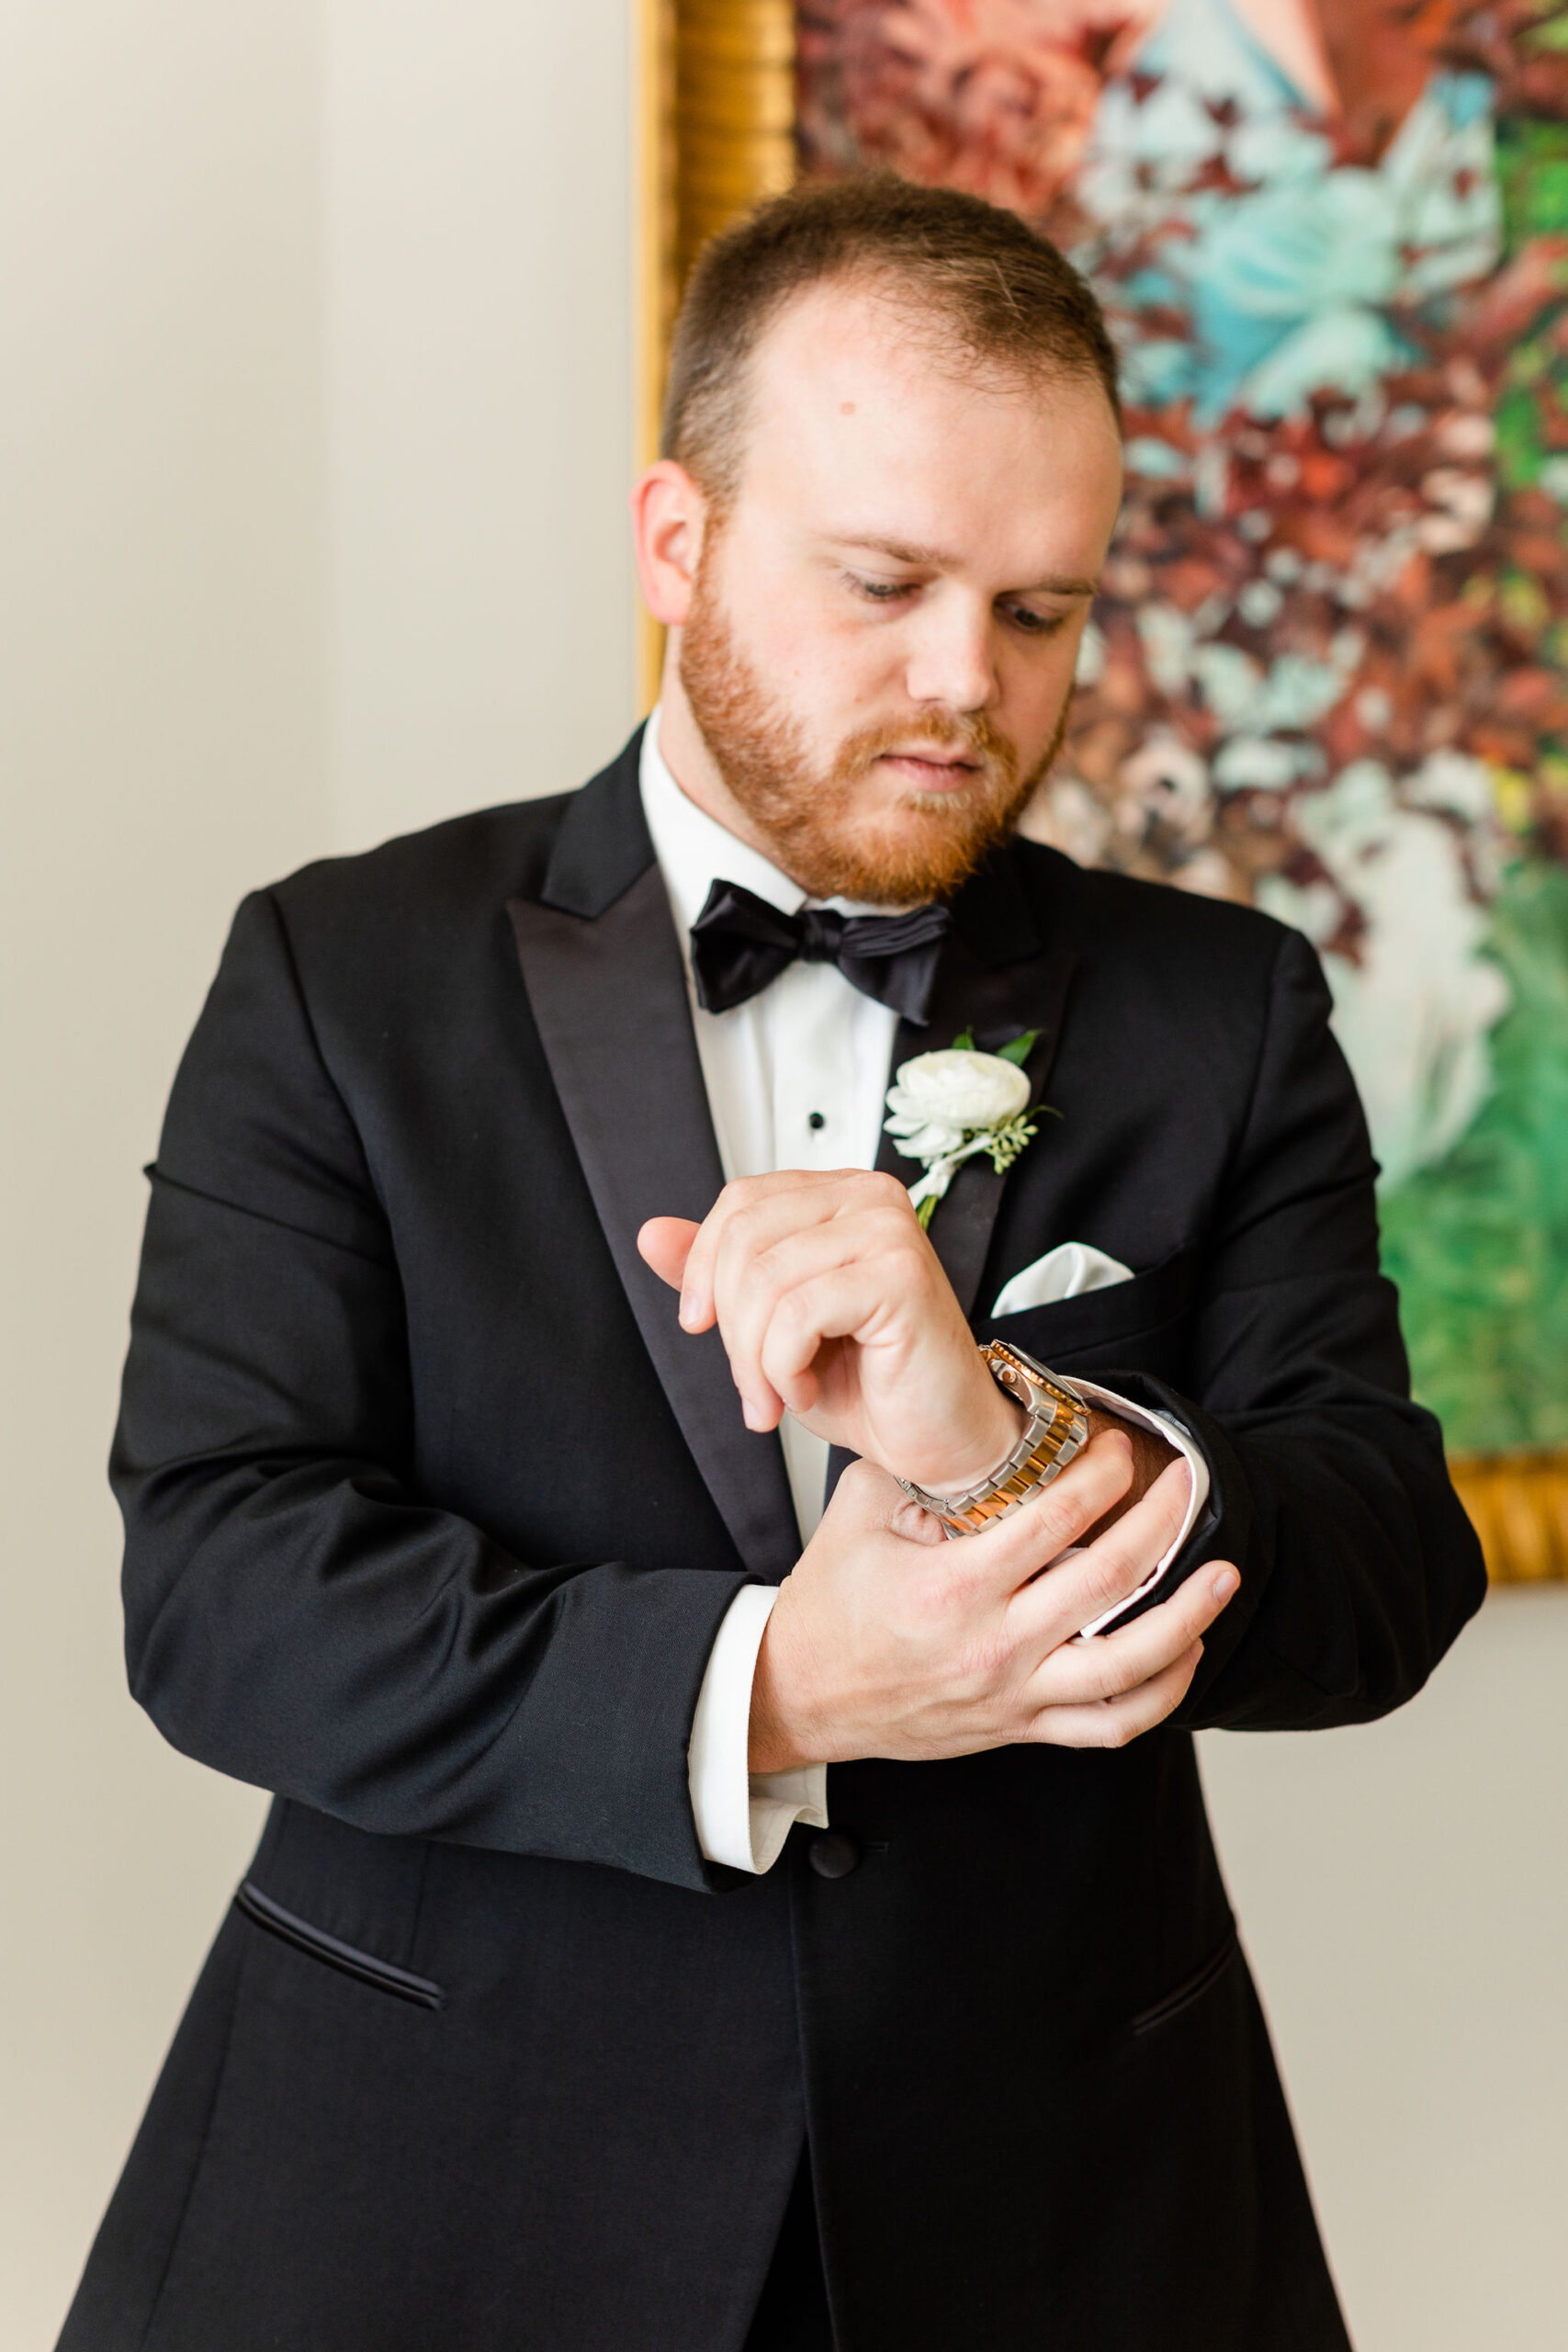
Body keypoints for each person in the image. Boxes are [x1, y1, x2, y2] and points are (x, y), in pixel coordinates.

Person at [60, 176, 1483, 2352]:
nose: (965, 685)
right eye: (887, 581)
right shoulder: (338, 975)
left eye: (1037, 610)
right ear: (675, 541)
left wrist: (1007, 1436)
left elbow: (1378, 1563)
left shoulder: (1224, 1005)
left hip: (1066, 2220)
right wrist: (780, 1686)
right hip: (425, 2199)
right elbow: (221, 1584)